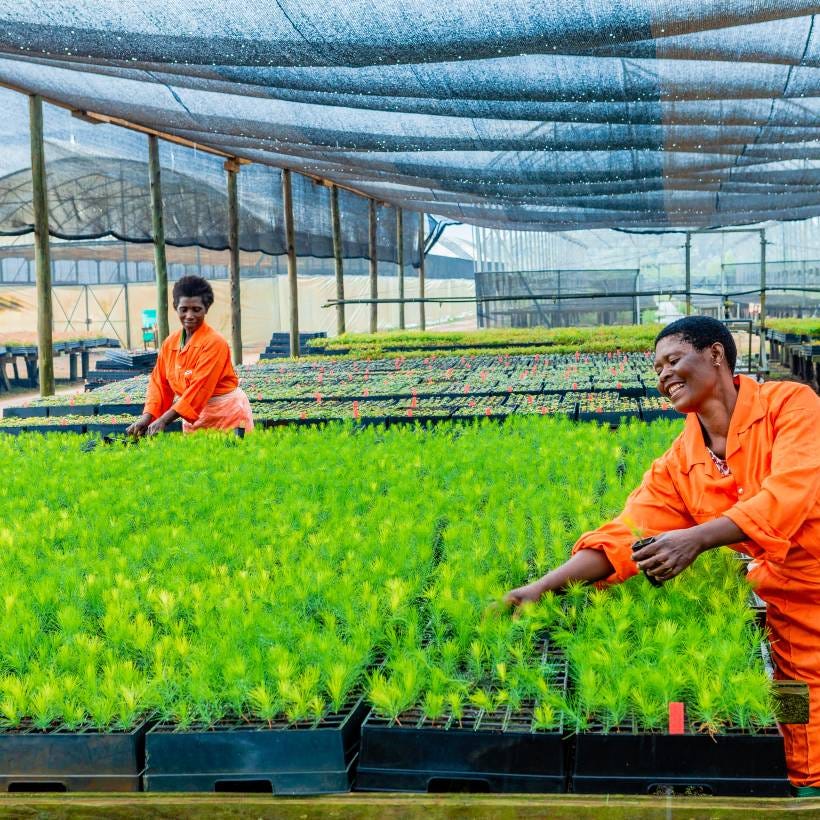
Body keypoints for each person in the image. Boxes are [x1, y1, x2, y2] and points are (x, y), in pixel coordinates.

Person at [505, 315, 820, 796]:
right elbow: (626, 535)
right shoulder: (680, 460)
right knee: (798, 704)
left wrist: (695, 538)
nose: (663, 375)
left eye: (673, 360)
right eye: (657, 368)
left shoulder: (791, 405)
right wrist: (542, 586)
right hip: (786, 599)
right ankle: (807, 786)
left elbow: (789, 494)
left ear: (716, 354)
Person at [126, 275, 254, 436]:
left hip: (226, 415)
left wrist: (164, 420)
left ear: (206, 308)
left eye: (196, 309)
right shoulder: (170, 343)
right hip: (193, 416)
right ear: (175, 307)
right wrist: (147, 417)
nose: (189, 316)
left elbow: (199, 388)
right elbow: (159, 384)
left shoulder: (215, 343)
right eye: (184, 309)